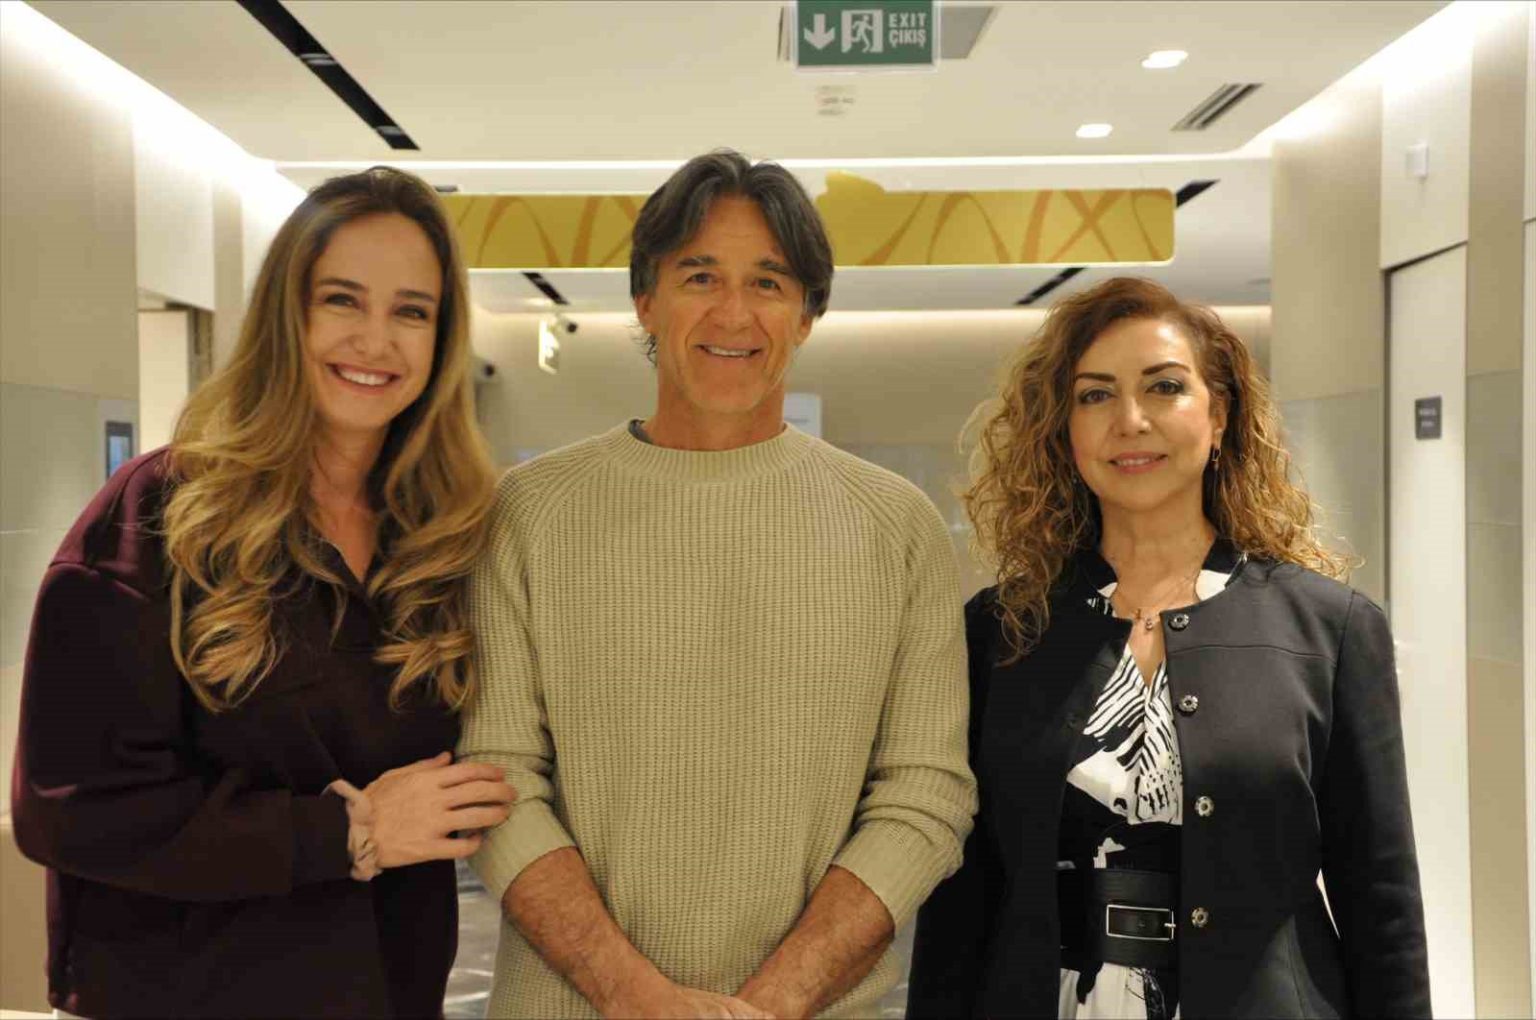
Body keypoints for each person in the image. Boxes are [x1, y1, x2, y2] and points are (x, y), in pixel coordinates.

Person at [460, 149, 977, 1019]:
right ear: (645, 300)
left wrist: (768, 1006)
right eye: (699, 276)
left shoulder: (897, 525)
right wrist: (638, 998)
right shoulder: (527, 514)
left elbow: (925, 794)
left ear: (807, 314)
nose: (733, 313)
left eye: (768, 283)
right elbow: (499, 776)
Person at [11, 166, 517, 1018]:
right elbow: (71, 810)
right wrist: (348, 832)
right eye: (342, 300)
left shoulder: (444, 538)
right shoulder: (159, 517)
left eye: (411, 312)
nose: (375, 340)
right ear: (288, 314)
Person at [907, 277, 1430, 1019]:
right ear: (1064, 432)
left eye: (1165, 387)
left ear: (1219, 416)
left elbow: (1381, 899)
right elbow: (961, 901)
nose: (1130, 420)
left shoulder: (1331, 628)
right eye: (1095, 395)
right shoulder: (1000, 631)